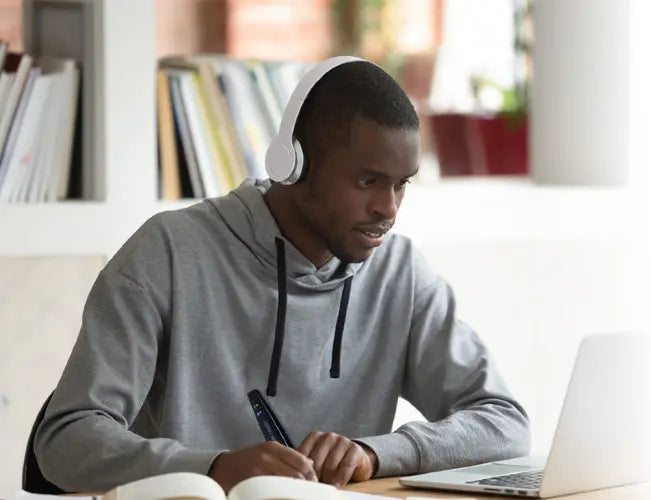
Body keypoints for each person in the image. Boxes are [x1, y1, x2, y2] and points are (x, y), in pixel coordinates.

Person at [34, 57, 530, 493]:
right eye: (367, 181)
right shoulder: (166, 253)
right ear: (293, 164)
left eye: (402, 184)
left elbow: (505, 423)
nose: (389, 208)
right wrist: (214, 468)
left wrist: (374, 453)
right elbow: (65, 438)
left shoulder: (401, 274)